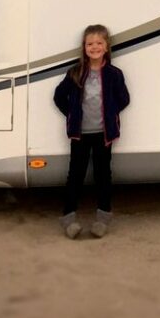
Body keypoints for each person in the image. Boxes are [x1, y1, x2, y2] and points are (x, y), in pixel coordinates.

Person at [52, 23, 130, 239]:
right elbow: (59, 97)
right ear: (84, 47)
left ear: (106, 47)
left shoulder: (114, 74)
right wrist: (72, 114)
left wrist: (110, 114)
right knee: (75, 175)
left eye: (99, 43)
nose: (94, 47)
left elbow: (124, 99)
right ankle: (68, 218)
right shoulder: (76, 73)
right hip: (80, 134)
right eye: (90, 43)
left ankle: (103, 218)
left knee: (103, 175)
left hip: (104, 135)